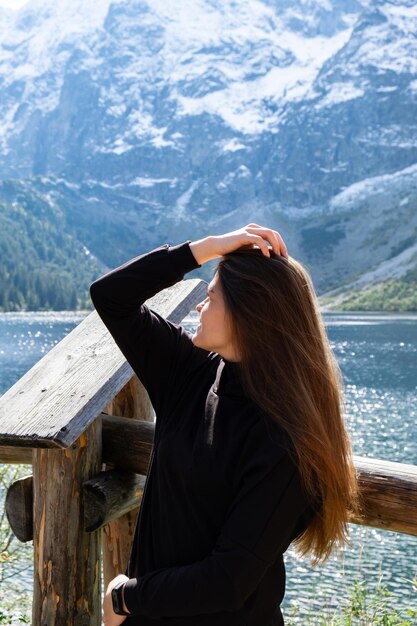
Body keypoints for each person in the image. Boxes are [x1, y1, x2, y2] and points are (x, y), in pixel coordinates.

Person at [91, 223, 359, 626]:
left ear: (246, 314)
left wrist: (125, 598)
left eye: (211, 296)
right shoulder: (190, 372)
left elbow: (229, 580)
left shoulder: (284, 436)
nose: (200, 306)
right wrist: (204, 249)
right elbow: (110, 296)